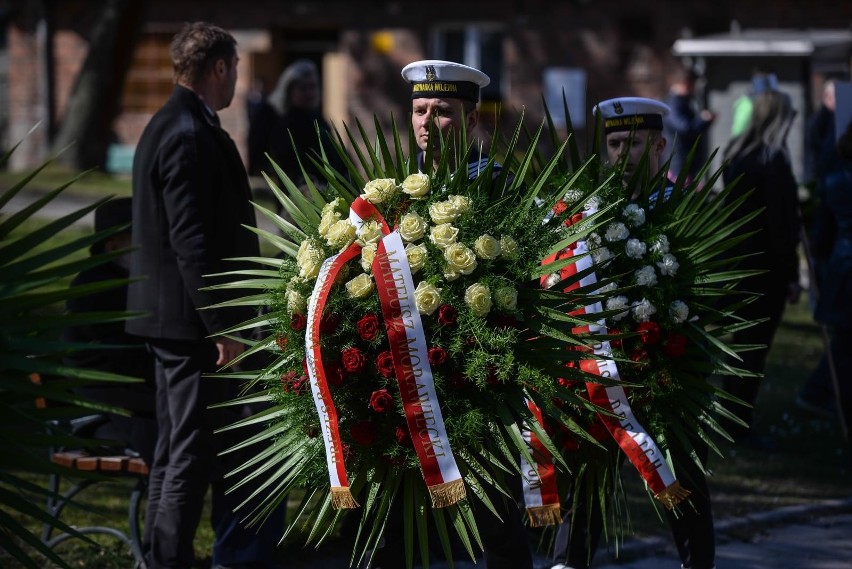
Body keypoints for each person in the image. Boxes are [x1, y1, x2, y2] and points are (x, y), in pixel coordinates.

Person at [367, 59, 532, 569]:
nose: (426, 121)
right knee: (399, 523)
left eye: (441, 111)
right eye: (419, 109)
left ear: (471, 119)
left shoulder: (498, 186)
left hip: (476, 376)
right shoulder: (392, 192)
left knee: (497, 518)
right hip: (410, 377)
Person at [126, 22, 280, 569]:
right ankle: (166, 559)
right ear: (218, 68)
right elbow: (189, 241)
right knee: (187, 453)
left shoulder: (172, 123)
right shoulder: (187, 132)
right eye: (235, 67)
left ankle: (163, 556)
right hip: (188, 326)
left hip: (174, 322)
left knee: (176, 449)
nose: (237, 78)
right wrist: (222, 325)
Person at [550, 97, 716, 569]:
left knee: (680, 474)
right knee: (588, 472)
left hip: (667, 368)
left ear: (661, 145)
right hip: (604, 370)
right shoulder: (592, 213)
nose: (622, 154)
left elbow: (708, 293)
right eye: (615, 143)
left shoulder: (684, 211)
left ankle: (696, 561)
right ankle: (569, 561)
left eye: (635, 142)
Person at [721, 90, 802, 441]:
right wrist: (793, 275)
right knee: (754, 348)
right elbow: (781, 224)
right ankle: (737, 420)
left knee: (742, 345)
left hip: (740, 261)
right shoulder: (773, 160)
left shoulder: (738, 154)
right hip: (766, 267)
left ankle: (731, 415)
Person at [62, 197, 157, 465]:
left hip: (122, 391)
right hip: (105, 396)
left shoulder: (124, 280)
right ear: (113, 245)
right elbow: (125, 356)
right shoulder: (97, 287)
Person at [803, 119, 852, 445]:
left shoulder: (836, 178)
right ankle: (827, 394)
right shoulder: (839, 180)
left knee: (846, 340)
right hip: (846, 264)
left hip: (843, 261)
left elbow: (822, 234)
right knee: (847, 341)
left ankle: (822, 391)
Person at [255, 59, 342, 184]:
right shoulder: (284, 123)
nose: (310, 93)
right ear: (290, 91)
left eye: (313, 86)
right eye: (303, 88)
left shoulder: (317, 117)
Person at [663, 66, 715, 182]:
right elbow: (685, 128)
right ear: (685, 83)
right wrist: (703, 120)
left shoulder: (683, 102)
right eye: (693, 84)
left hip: (685, 166)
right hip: (678, 166)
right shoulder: (673, 104)